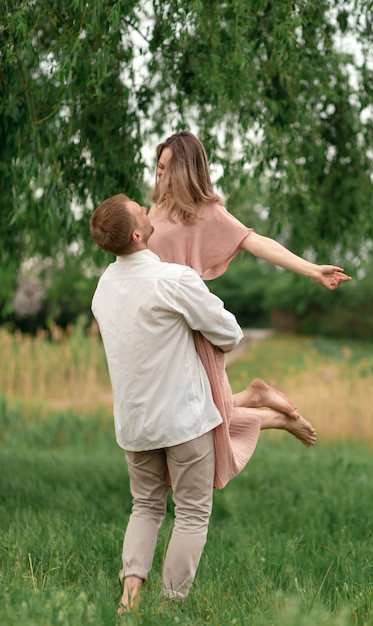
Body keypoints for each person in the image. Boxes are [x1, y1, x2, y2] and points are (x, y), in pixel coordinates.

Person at [89, 194, 293, 611]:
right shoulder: (173, 279)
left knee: (145, 507)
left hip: (135, 425)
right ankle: (170, 605)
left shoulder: (103, 288)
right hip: (184, 421)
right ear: (135, 232)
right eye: (140, 210)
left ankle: (129, 601)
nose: (148, 209)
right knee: (192, 512)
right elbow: (230, 333)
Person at [147, 131, 351, 489]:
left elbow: (257, 243)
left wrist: (313, 270)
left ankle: (269, 410)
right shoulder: (154, 210)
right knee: (195, 417)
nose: (159, 176)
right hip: (163, 329)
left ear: (186, 172)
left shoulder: (208, 213)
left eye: (166, 169)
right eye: (158, 167)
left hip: (192, 327)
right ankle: (258, 400)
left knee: (204, 420)